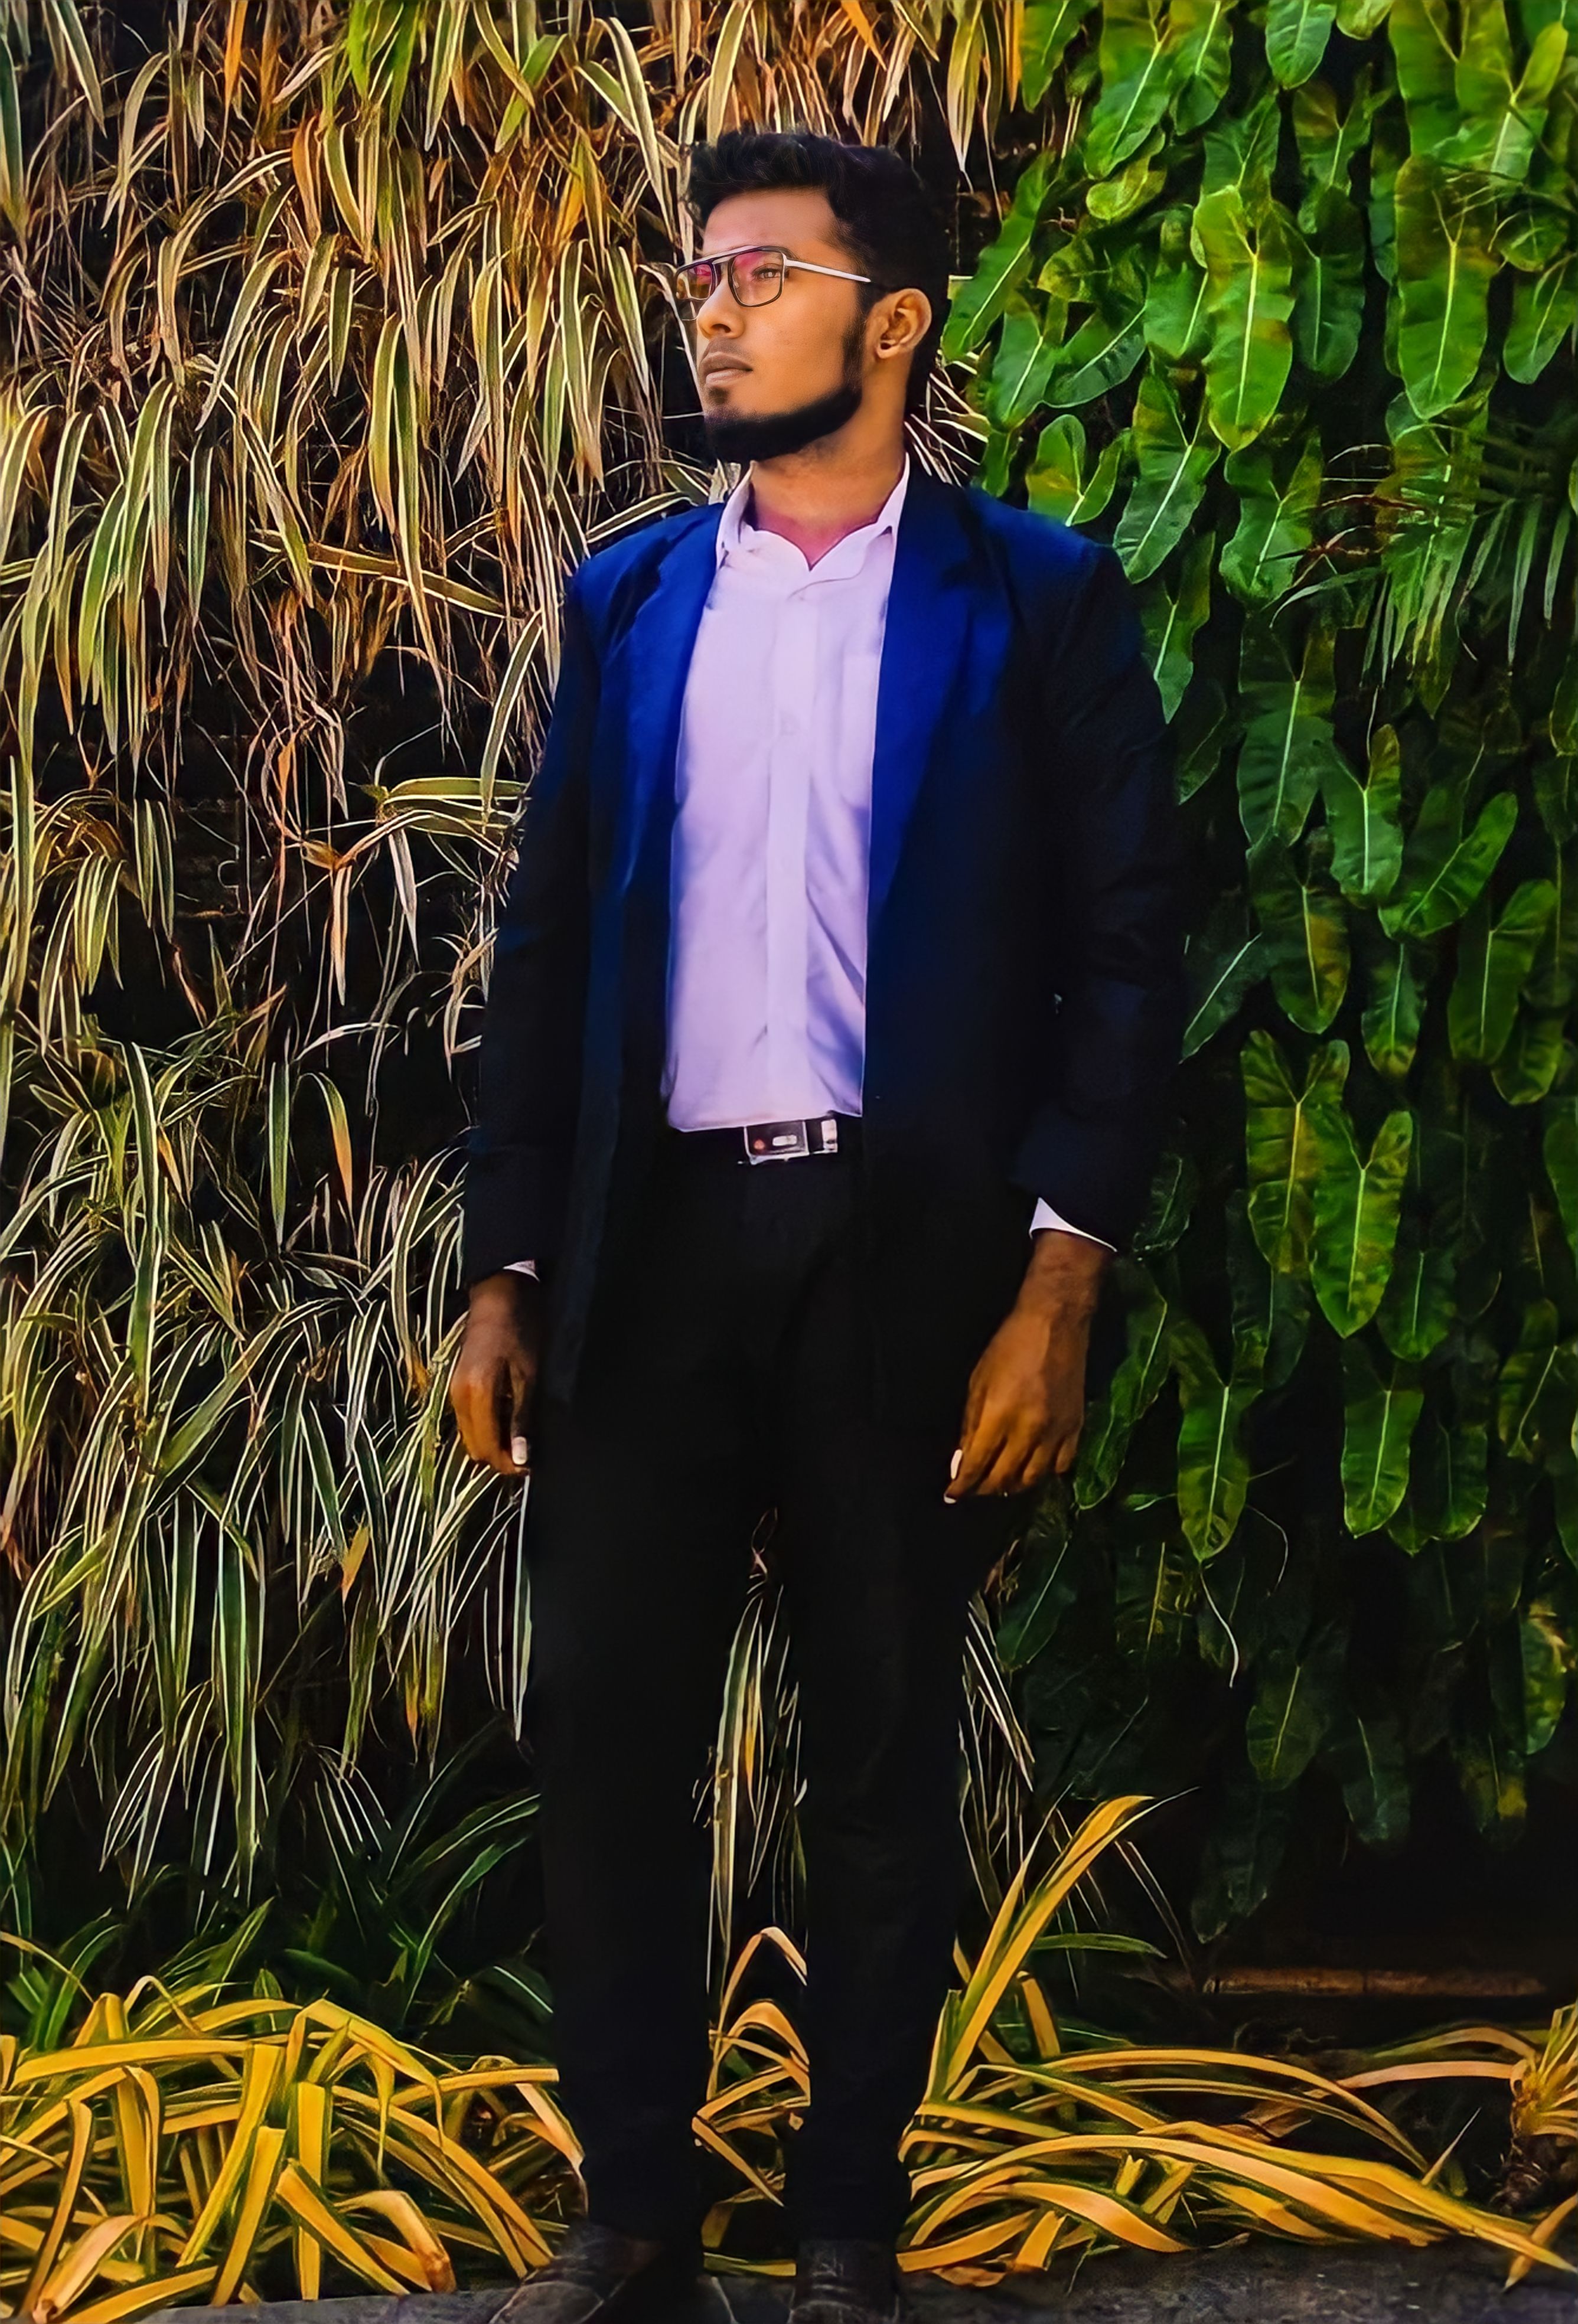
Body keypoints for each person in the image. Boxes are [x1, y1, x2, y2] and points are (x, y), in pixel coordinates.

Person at [451, 128, 1189, 2324]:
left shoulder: (1036, 600)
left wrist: (1059, 1282)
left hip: (906, 1253)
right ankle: (636, 2221)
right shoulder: (630, 604)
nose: (711, 306)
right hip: (652, 1251)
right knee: (608, 1734)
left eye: (760, 273)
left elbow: (1127, 955)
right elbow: (545, 950)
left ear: (894, 325)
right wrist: (504, 1265)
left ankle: (846, 2225)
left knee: (880, 1746)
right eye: (700, 274)